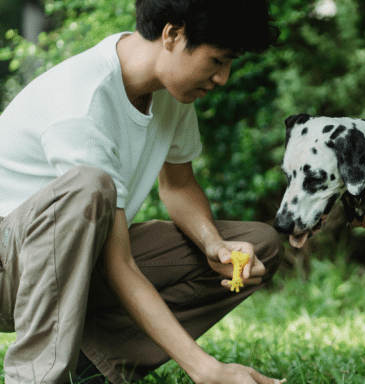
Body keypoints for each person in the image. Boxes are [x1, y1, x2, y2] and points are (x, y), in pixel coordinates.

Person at [0, 0, 286, 383]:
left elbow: (179, 186)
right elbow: (119, 265)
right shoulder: (83, 101)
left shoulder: (168, 88)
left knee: (260, 245)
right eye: (217, 60)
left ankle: (92, 364)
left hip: (75, 262)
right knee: (89, 186)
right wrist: (207, 370)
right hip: (9, 271)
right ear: (172, 34)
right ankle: (35, 377)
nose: (223, 78)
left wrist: (214, 243)